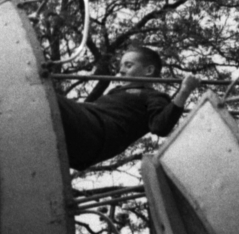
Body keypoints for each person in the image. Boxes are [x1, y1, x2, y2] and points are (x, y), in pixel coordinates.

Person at [55, 46, 200, 170]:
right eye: (120, 67)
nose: (121, 71)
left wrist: (184, 91)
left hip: (96, 133)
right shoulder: (117, 91)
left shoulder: (152, 95)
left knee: (50, 99)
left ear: (148, 70)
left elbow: (160, 127)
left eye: (128, 65)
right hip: (82, 141)